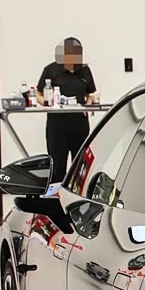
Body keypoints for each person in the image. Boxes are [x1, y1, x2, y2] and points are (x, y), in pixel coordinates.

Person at [36, 37, 97, 182]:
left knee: (80, 168)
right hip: (57, 125)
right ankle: (57, 194)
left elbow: (90, 95)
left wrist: (88, 105)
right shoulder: (51, 69)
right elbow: (38, 93)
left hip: (79, 124)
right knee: (57, 168)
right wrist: (46, 103)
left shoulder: (85, 70)